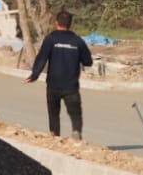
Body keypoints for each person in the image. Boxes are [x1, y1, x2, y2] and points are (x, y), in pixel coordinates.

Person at [23, 9, 93, 140]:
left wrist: (34, 75)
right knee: (75, 113)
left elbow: (42, 58)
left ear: (56, 23)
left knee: (54, 113)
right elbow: (88, 61)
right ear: (70, 24)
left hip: (53, 84)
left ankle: (55, 137)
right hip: (71, 86)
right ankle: (76, 131)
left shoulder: (51, 39)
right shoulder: (78, 41)